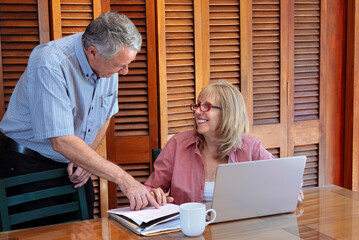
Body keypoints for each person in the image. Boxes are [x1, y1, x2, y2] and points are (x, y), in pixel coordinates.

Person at [0, 11, 158, 227]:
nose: (125, 72)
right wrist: (125, 180)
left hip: (75, 168)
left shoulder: (108, 64)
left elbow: (105, 116)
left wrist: (86, 158)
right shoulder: (51, 62)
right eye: (119, 66)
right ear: (92, 52)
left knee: (83, 232)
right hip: (29, 168)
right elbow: (61, 140)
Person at [145, 81, 304, 205]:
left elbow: (288, 177)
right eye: (198, 105)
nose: (197, 111)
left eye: (206, 106)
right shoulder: (177, 144)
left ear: (228, 113)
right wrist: (151, 195)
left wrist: (292, 190)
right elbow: (151, 187)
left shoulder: (250, 148)